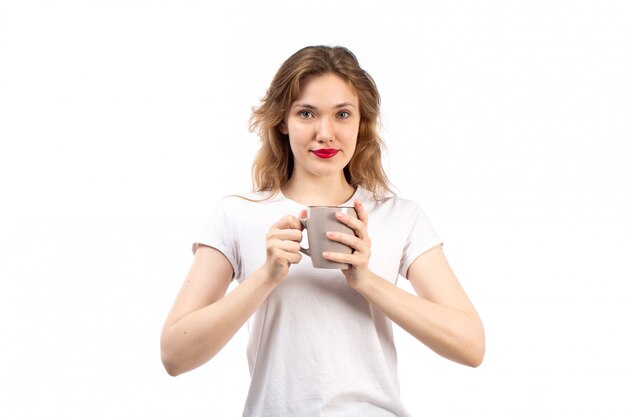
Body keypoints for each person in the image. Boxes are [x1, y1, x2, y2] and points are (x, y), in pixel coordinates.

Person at [160, 45, 485, 416]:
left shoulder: (400, 216)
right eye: (306, 113)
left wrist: (366, 280)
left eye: (342, 114)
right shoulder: (237, 215)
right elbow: (174, 355)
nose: (325, 133)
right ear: (283, 120)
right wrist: (266, 277)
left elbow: (471, 346)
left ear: (361, 122)